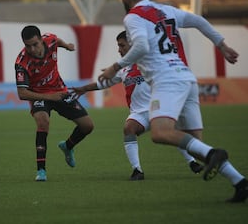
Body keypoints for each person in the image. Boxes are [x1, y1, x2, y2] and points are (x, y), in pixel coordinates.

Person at [98, 0, 247, 202]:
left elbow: (141, 45)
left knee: (161, 133)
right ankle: (241, 183)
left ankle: (215, 154)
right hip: (186, 78)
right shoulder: (165, 10)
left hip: (167, 80)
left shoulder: (133, 17)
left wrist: (115, 66)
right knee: (196, 145)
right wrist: (221, 44)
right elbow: (198, 20)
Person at [72, 31, 203, 180]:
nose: (119, 49)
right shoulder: (123, 69)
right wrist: (83, 89)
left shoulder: (150, 61)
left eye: (121, 45)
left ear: (132, 45)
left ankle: (193, 162)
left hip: (158, 107)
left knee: (172, 132)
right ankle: (137, 171)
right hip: (140, 113)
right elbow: (103, 84)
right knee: (129, 128)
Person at [15, 25, 94, 182]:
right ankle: (41, 171)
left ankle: (67, 146)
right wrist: (51, 97)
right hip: (39, 95)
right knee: (43, 122)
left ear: (41, 40)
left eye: (35, 44)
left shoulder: (50, 40)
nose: (32, 49)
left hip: (59, 89)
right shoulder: (22, 62)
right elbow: (22, 94)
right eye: (27, 45)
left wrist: (67, 46)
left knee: (87, 126)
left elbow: (56, 41)